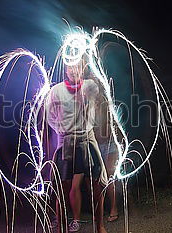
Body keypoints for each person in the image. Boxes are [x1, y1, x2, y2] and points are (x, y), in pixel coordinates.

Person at [45, 57, 108, 233]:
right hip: (66, 141)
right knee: (62, 186)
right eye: (71, 67)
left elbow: (99, 94)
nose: (74, 71)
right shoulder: (56, 91)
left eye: (78, 67)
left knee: (97, 183)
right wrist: (61, 130)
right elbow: (49, 115)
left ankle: (100, 226)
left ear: (83, 68)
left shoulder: (90, 86)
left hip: (87, 139)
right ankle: (62, 228)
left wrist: (91, 58)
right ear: (66, 69)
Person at [94, 94, 119, 222]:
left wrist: (120, 142)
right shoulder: (86, 107)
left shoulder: (107, 106)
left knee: (110, 176)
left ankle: (114, 208)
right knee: (97, 179)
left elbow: (116, 124)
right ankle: (100, 210)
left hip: (110, 145)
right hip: (95, 146)